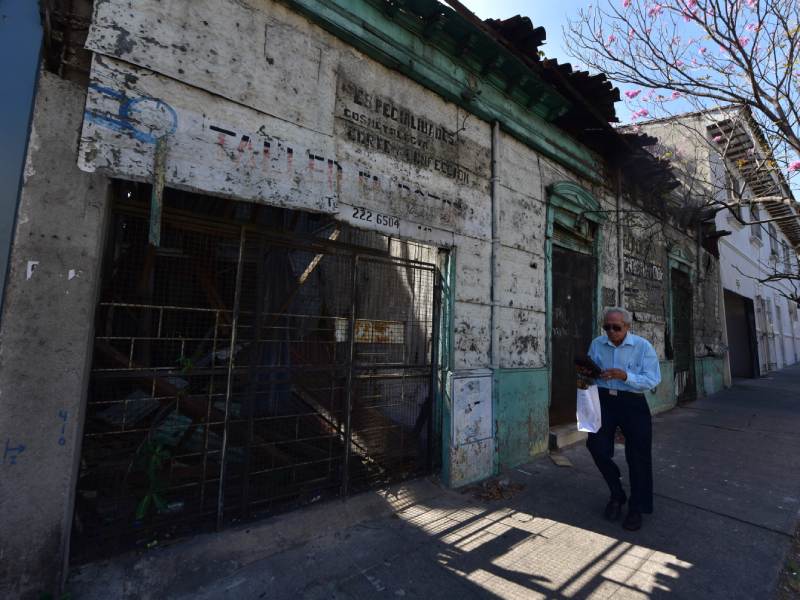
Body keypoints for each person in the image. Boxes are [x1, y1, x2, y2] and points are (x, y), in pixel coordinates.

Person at [583, 307, 661, 531]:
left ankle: (637, 507)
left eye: (616, 327)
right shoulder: (597, 344)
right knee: (596, 446)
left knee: (638, 455)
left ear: (627, 327)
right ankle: (617, 494)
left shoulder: (642, 346)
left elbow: (652, 379)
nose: (610, 331)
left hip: (632, 402)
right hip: (603, 400)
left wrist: (625, 376)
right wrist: (589, 373)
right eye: (606, 327)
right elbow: (588, 370)